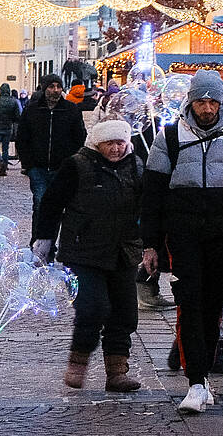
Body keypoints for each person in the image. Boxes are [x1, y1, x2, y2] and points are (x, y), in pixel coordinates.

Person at [142, 72, 223, 415]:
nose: (208, 108)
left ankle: (203, 378)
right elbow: (152, 193)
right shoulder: (169, 137)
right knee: (190, 303)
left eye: (213, 101)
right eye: (201, 101)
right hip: (182, 235)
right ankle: (195, 382)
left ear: (222, 101)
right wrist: (150, 244)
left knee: (213, 306)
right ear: (191, 101)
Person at [32, 118, 146, 394]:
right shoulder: (77, 165)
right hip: (83, 252)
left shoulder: (137, 166)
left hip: (124, 250)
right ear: (98, 144)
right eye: (111, 144)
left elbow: (149, 205)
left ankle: (117, 372)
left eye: (121, 143)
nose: (117, 149)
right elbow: (51, 203)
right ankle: (78, 362)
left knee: (124, 312)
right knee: (92, 308)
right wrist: (44, 240)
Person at [18, 74, 88, 213]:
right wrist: (28, 164)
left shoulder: (71, 109)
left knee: (59, 205)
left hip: (62, 167)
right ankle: (39, 235)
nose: (55, 90)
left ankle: (54, 234)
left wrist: (72, 161)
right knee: (40, 202)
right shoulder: (32, 110)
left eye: (58, 86)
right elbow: (22, 138)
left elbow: (80, 136)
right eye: (51, 86)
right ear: (44, 89)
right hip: (38, 167)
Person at [0, 83, 21, 176]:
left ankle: (0, 161)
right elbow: (17, 116)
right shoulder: (13, 101)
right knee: (5, 149)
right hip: (8, 127)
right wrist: (12, 121)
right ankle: (5, 167)